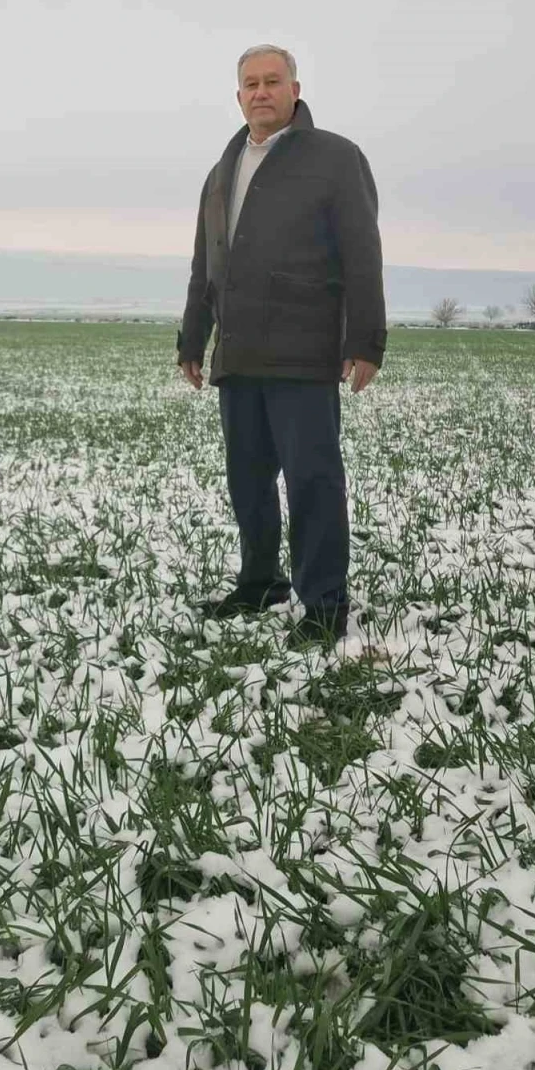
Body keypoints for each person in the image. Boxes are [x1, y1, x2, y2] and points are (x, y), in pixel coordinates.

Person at [176, 43, 386, 649]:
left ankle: (323, 605)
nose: (261, 92)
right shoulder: (222, 170)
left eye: (273, 81)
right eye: (250, 83)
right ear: (238, 95)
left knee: (313, 478)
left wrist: (365, 340)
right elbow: (204, 264)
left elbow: (362, 253)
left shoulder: (336, 159)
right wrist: (194, 337)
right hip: (237, 352)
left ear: (295, 89)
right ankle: (261, 581)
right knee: (247, 477)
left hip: (303, 349)